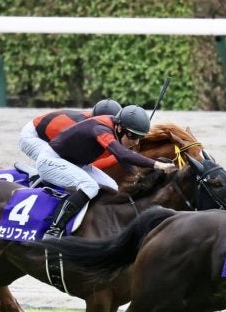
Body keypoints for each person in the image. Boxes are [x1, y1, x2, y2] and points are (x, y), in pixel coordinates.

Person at [36, 104, 174, 239]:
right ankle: (54, 230)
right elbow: (123, 155)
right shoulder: (101, 129)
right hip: (51, 160)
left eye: (140, 137)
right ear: (119, 128)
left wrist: (137, 174)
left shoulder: (116, 127)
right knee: (89, 186)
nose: (136, 142)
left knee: (112, 187)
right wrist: (157, 165)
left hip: (76, 163)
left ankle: (91, 220)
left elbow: (123, 159)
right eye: (133, 136)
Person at [18, 99, 121, 163]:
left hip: (47, 132)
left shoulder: (93, 122)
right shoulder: (81, 128)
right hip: (32, 136)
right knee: (60, 165)